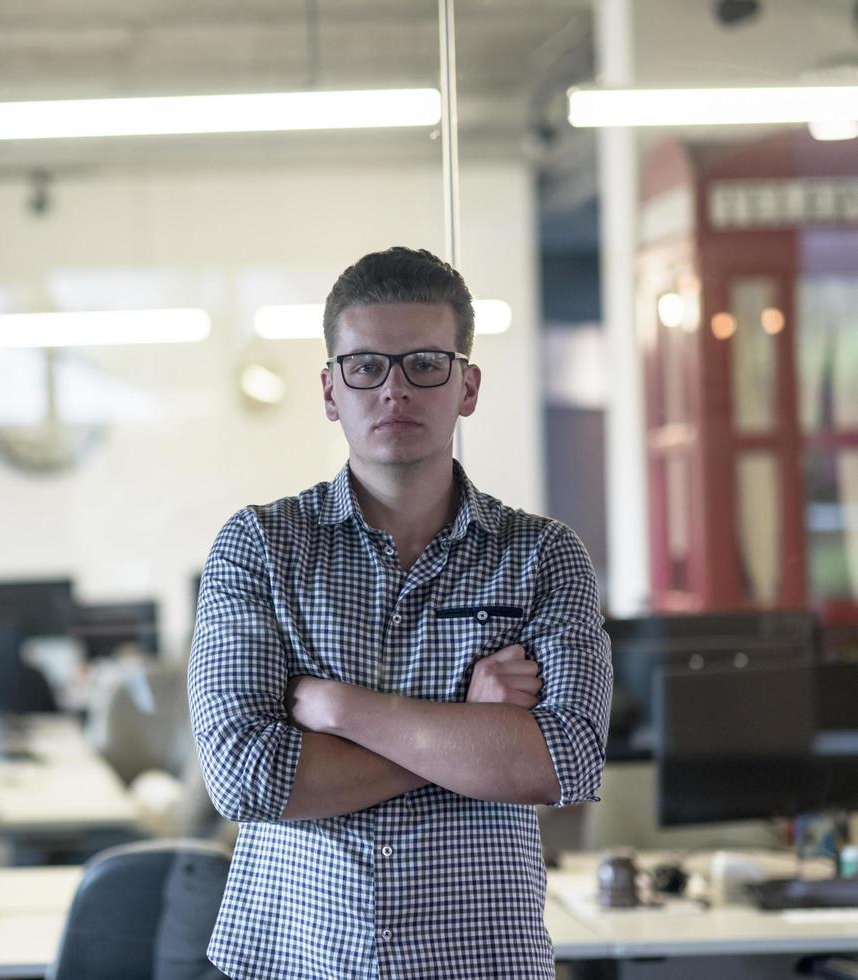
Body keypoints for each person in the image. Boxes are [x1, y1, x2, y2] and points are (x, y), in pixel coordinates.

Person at [187, 247, 612, 979]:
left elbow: (563, 762)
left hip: (480, 960)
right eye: (365, 366)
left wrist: (341, 709)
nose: (394, 390)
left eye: (425, 364)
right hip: (297, 958)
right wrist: (470, 732)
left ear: (467, 385)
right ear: (330, 390)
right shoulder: (259, 546)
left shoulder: (543, 556)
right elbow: (244, 778)